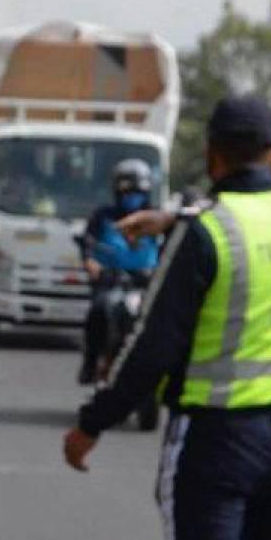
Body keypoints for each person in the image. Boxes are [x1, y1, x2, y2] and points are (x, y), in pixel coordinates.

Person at [63, 96, 271, 540]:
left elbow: (152, 348)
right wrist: (175, 218)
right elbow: (257, 221)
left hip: (217, 441)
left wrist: (92, 423)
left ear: (212, 155)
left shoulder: (206, 233)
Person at [76, 159, 160, 385]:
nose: (132, 197)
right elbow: (88, 244)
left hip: (146, 285)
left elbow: (171, 247)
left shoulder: (156, 218)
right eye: (127, 191)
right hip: (111, 282)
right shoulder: (103, 217)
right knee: (99, 310)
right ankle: (91, 362)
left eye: (137, 192)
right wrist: (92, 264)